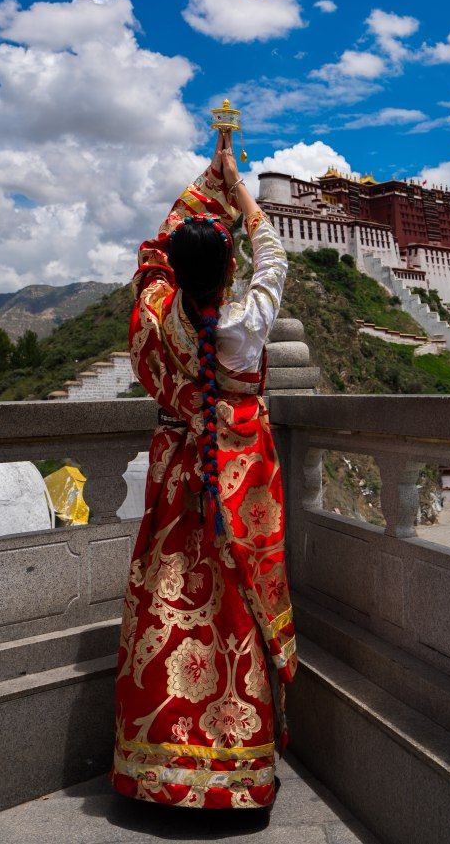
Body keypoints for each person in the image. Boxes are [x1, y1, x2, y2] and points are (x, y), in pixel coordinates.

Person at [111, 130, 296, 811]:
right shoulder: (247, 320)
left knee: (167, 605)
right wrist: (236, 183)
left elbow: (153, 256)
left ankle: (156, 767)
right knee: (235, 613)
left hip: (174, 485)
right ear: (227, 270)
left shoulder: (155, 319)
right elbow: (271, 250)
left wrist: (201, 182)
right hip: (236, 483)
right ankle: (239, 772)